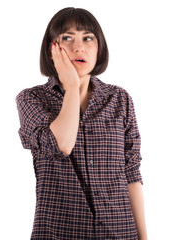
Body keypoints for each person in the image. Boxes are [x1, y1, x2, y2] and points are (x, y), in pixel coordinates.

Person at [15, 7, 147, 239]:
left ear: (99, 48)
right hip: (59, 232)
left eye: (88, 38)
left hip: (120, 232)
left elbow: (131, 174)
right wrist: (72, 86)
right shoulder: (32, 99)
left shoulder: (120, 99)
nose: (79, 47)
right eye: (67, 38)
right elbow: (61, 144)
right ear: (52, 49)